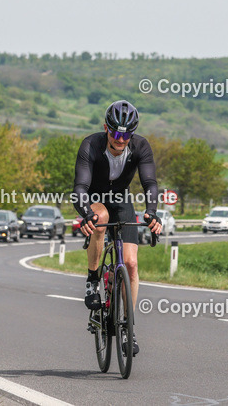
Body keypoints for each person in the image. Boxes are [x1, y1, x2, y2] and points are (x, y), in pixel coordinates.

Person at [74, 100, 162, 357]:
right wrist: (86, 213)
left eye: (126, 134)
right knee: (100, 218)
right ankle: (92, 281)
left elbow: (150, 183)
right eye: (115, 133)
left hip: (122, 199)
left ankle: (128, 329)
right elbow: (80, 187)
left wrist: (152, 212)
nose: (121, 139)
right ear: (106, 128)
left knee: (131, 264)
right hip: (95, 197)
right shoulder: (91, 145)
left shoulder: (141, 146)